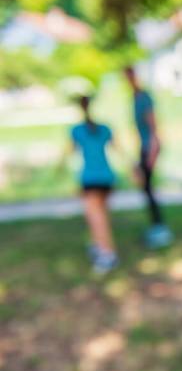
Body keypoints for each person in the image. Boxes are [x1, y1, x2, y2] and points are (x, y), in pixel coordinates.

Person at [65, 95, 119, 274]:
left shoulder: (78, 131)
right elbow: (119, 149)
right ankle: (99, 246)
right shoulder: (104, 128)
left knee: (96, 219)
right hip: (107, 177)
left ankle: (107, 253)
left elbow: (69, 153)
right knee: (101, 215)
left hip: (90, 179)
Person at [124, 66, 173, 248]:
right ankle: (157, 226)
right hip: (143, 148)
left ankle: (160, 229)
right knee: (146, 189)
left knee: (148, 189)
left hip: (149, 147)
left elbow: (153, 127)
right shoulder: (134, 98)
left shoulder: (144, 98)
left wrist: (152, 152)